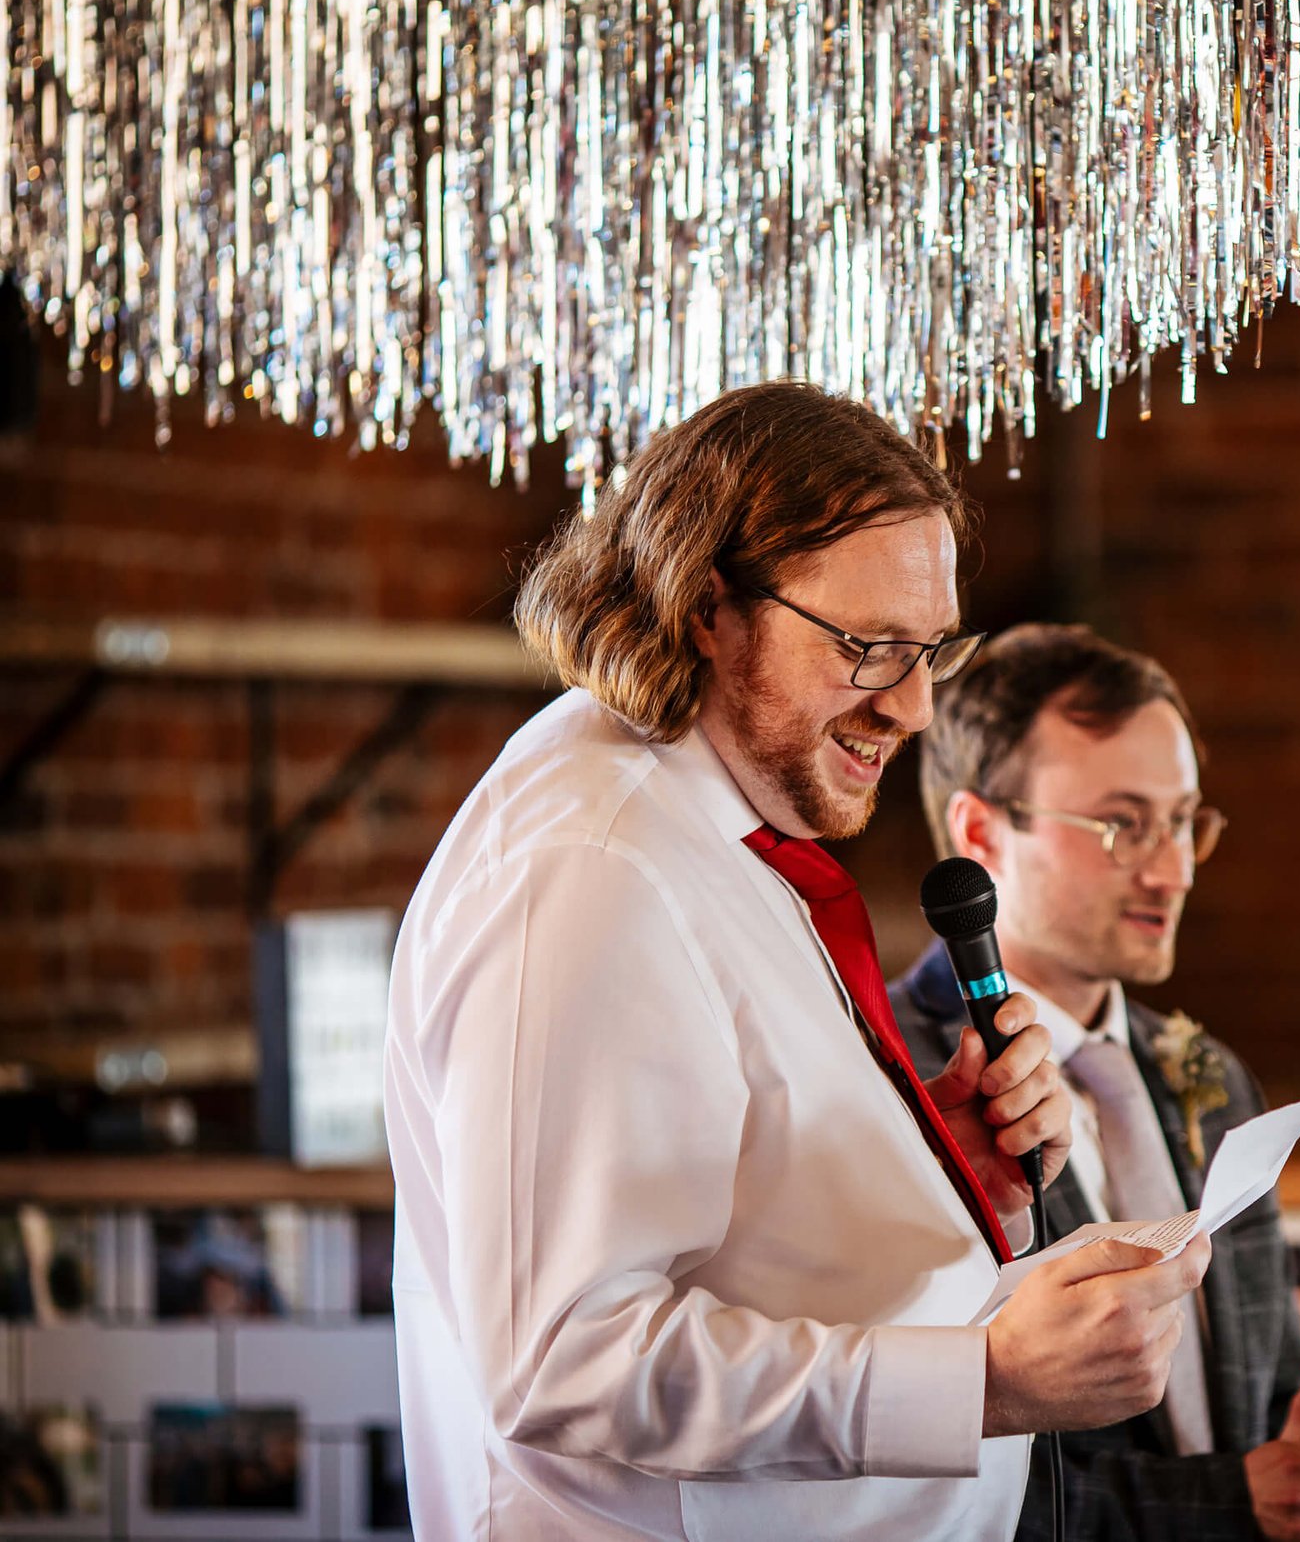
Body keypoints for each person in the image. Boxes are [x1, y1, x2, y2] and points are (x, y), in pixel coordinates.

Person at [384, 384, 1211, 1541]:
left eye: (932, 649)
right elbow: (565, 1359)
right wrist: (980, 1381)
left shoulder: (714, 815)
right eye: (870, 648)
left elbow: (728, 1201)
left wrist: (933, 1160)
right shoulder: (590, 866)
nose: (913, 706)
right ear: (707, 607)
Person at [893, 624, 1300, 1542]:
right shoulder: (891, 1078)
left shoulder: (1212, 1076)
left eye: (1186, 820)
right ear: (981, 831)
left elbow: (1263, 1382)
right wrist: (1232, 1501)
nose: (1175, 868)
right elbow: (899, 1465)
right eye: (1123, 824)